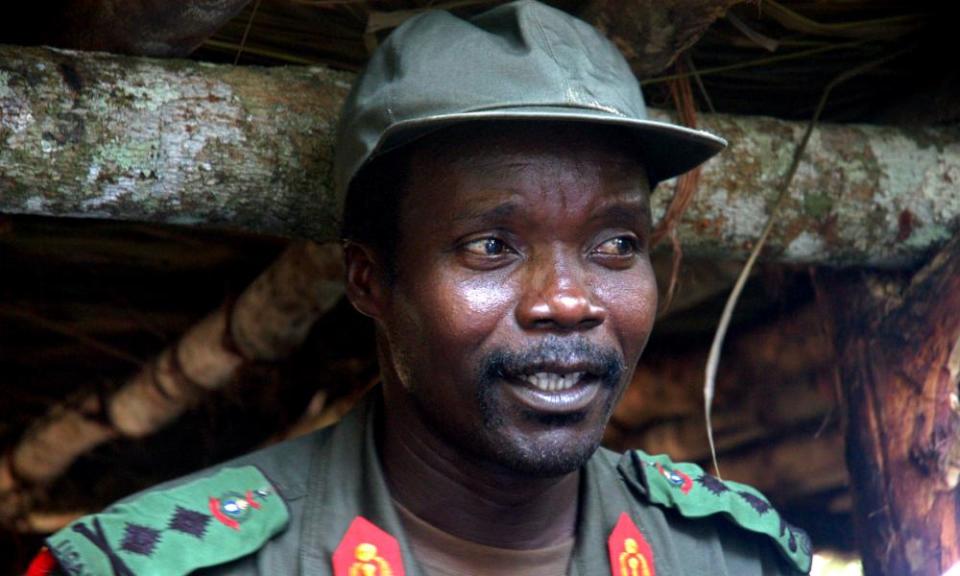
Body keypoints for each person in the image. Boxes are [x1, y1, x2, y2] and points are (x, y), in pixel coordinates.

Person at [30, 2, 812, 574]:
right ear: (369, 280)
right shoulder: (156, 565)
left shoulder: (734, 557)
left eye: (615, 244)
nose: (569, 301)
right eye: (491, 246)